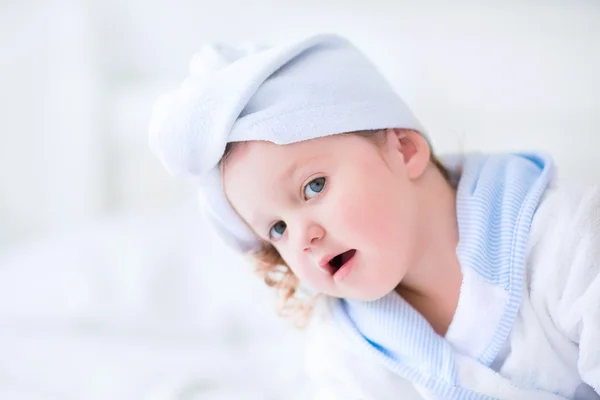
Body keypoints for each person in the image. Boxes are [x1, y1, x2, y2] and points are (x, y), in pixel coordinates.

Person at [148, 33, 600, 399]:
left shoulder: (565, 239)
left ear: (404, 149)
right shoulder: (351, 345)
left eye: (314, 186)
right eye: (277, 229)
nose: (301, 238)